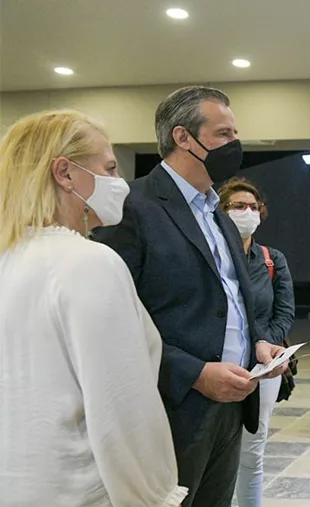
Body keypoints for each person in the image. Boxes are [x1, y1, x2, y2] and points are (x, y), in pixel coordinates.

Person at [92, 86, 287, 507]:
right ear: (183, 137)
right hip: (173, 408)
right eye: (223, 134)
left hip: (232, 405)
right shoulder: (135, 206)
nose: (234, 144)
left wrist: (257, 345)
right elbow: (113, 321)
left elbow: (231, 298)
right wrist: (195, 373)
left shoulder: (217, 212)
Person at [0, 110, 187, 505]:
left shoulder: (10, 259)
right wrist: (155, 495)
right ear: (65, 173)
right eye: (110, 168)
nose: (119, 183)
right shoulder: (88, 262)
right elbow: (120, 408)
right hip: (77, 488)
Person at [217, 177, 295, 507]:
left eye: (253, 206)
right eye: (238, 206)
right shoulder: (211, 255)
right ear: (221, 211)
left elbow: (284, 311)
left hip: (262, 368)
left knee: (253, 450)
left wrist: (266, 346)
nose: (247, 212)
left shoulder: (271, 259)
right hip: (217, 364)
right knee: (214, 450)